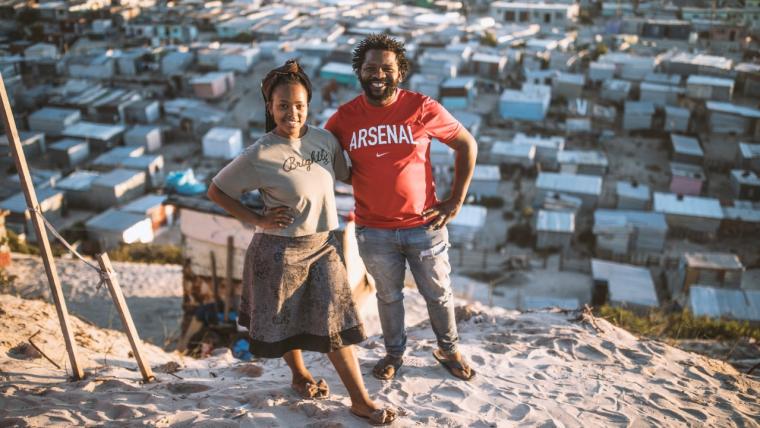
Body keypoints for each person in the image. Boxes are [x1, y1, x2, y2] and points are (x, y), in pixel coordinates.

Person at [207, 60, 396, 426]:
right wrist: (258, 219)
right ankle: (298, 375)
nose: (291, 112)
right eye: (282, 106)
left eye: (299, 105)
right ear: (269, 108)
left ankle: (359, 400)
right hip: (277, 251)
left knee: (336, 324)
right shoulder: (260, 153)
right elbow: (217, 190)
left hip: (324, 246)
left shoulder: (324, 140)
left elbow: (348, 175)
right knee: (287, 321)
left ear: (308, 104)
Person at [325, 34, 478, 381]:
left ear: (400, 73)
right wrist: (352, 176)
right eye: (370, 68)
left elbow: (466, 145)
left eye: (386, 68)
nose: (378, 74)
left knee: (438, 294)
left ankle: (449, 349)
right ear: (359, 72)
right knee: (388, 297)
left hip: (423, 224)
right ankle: (394, 354)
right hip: (373, 229)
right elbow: (324, 152)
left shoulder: (422, 108)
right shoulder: (345, 117)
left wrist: (456, 199)